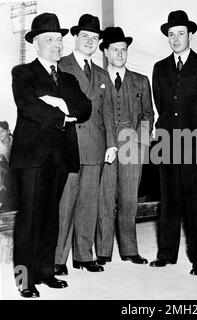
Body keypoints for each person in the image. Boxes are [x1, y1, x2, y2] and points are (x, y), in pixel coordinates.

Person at [10, 13, 91, 298]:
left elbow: (85, 108)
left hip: (60, 156)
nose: (58, 45)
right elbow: (28, 106)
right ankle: (24, 280)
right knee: (29, 218)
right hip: (31, 157)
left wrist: (58, 103)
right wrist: (62, 114)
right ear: (36, 44)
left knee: (50, 218)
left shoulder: (68, 78)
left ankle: (45, 272)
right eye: (51, 40)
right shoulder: (23, 73)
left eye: (59, 39)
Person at [54, 14, 116, 275]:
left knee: (89, 204)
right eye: (85, 37)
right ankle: (57, 259)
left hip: (95, 146)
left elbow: (109, 112)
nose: (90, 41)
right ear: (75, 38)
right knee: (65, 204)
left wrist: (112, 145)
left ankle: (83, 255)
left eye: (94, 38)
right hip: (68, 145)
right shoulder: (61, 66)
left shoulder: (102, 73)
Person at [149, 10, 197, 271]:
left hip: (196, 141)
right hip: (167, 141)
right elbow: (162, 105)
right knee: (169, 199)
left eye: (181, 33)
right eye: (171, 34)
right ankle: (166, 253)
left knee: (196, 201)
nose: (175, 39)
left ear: (191, 35)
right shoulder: (160, 67)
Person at [96, 27, 154, 265]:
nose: (120, 54)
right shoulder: (97, 79)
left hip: (132, 144)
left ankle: (130, 250)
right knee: (105, 197)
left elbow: (148, 114)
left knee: (129, 199)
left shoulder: (140, 81)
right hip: (105, 145)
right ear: (106, 52)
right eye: (115, 50)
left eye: (123, 50)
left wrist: (140, 142)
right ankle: (103, 251)